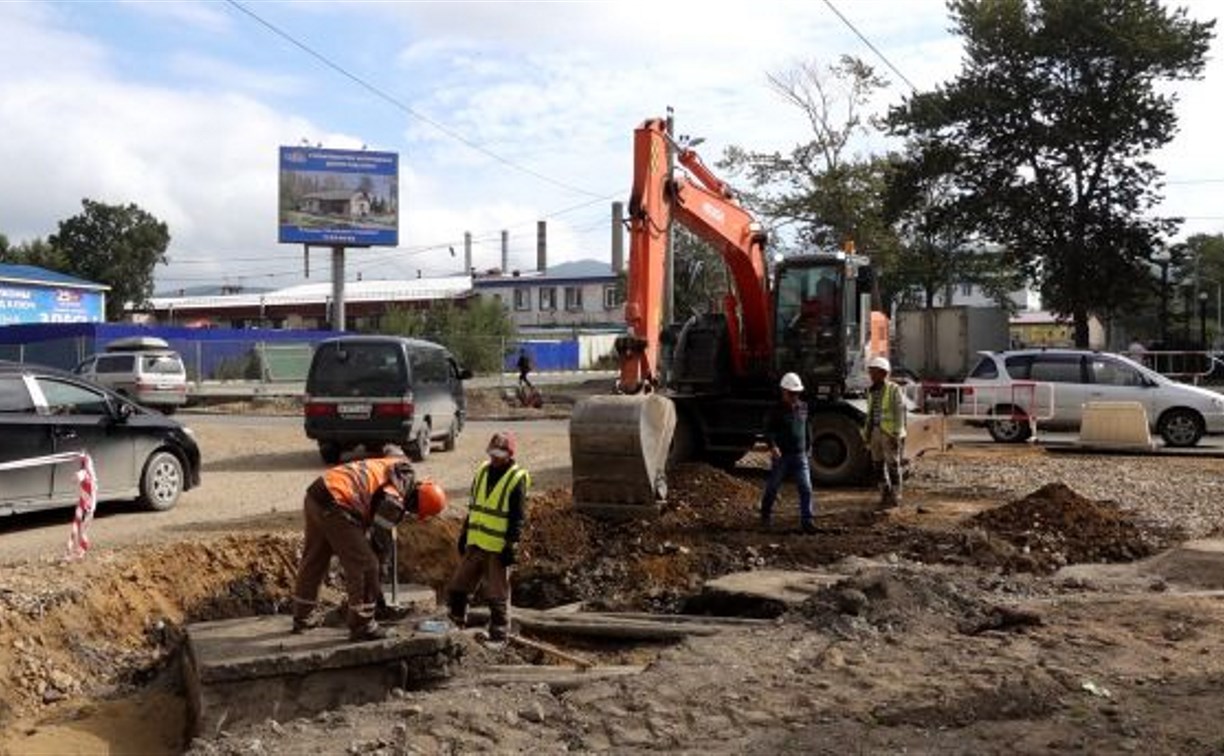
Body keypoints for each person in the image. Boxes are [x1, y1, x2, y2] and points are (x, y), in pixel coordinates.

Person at [291, 445, 447, 641]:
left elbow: (391, 448)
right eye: (415, 512)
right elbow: (379, 540)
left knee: (315, 558)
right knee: (366, 565)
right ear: (416, 507)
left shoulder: (400, 465)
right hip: (338, 504)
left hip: (318, 493)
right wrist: (380, 566)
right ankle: (362, 625)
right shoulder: (395, 502)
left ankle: (302, 617)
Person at [447, 431, 531, 642]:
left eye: (498, 455)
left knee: (497, 593)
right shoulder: (483, 471)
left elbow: (517, 517)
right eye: (492, 453)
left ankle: (500, 633)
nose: (494, 458)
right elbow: (475, 506)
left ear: (509, 454)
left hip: (497, 545)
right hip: (476, 541)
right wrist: (465, 532)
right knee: (459, 586)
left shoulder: (516, 478)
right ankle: (456, 623)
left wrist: (511, 544)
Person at [759, 372, 816, 535]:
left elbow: (807, 428)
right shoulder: (775, 411)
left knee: (806, 488)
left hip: (800, 455)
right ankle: (765, 516)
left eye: (797, 393)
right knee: (772, 488)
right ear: (783, 391)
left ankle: (807, 521)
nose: (794, 396)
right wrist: (772, 446)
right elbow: (767, 431)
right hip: (782, 457)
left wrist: (809, 445)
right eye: (791, 393)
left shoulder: (803, 407)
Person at [863, 355, 907, 509]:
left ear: (883, 373)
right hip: (876, 431)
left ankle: (896, 496)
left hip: (889, 433)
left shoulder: (894, 389)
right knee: (877, 464)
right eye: (870, 371)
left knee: (892, 464)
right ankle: (884, 494)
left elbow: (899, 412)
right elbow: (870, 414)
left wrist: (896, 433)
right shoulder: (871, 391)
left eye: (873, 371)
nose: (871, 375)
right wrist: (866, 434)